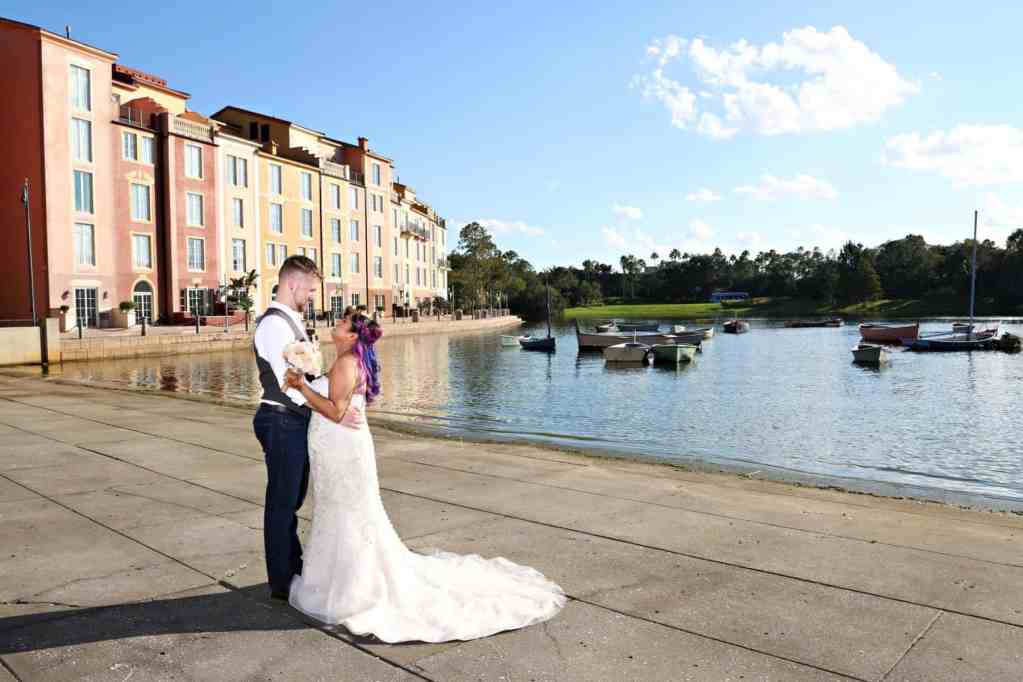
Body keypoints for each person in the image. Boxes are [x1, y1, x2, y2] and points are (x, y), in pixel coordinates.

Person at [283, 315, 566, 642]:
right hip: (336, 448)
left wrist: (302, 386)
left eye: (343, 322)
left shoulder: (348, 362)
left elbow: (336, 411)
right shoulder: (349, 360)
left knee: (348, 513)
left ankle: (354, 588)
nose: (337, 323)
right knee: (339, 512)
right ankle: (338, 577)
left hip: (342, 450)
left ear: (352, 335)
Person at [251, 256, 333, 601]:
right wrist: (329, 400)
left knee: (291, 500)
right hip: (282, 420)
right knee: (282, 503)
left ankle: (292, 568)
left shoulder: (291, 322)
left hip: (293, 420)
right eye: (310, 289)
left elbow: (306, 378)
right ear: (291, 284)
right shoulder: (274, 326)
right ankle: (282, 582)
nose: (312, 295)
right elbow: (291, 382)